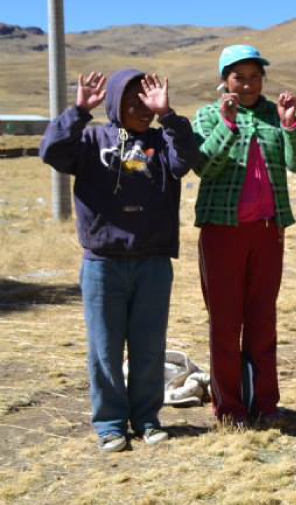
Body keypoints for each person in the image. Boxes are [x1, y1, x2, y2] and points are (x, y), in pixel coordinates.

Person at [40, 69, 199, 451]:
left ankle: (146, 418)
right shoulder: (92, 137)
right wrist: (79, 110)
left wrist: (169, 115)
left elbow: (186, 161)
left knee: (149, 347)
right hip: (103, 262)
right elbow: (52, 151)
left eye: (145, 100)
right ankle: (110, 423)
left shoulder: (162, 141)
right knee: (105, 348)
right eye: (130, 101)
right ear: (112, 103)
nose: (140, 109)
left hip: (153, 261)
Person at [192, 44, 296, 424]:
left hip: (267, 232)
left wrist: (290, 125)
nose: (247, 85)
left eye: (255, 77)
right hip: (222, 231)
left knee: (263, 320)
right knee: (225, 322)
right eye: (238, 77)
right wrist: (227, 125)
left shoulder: (273, 117)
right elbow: (204, 168)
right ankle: (229, 407)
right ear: (224, 80)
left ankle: (266, 404)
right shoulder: (208, 115)